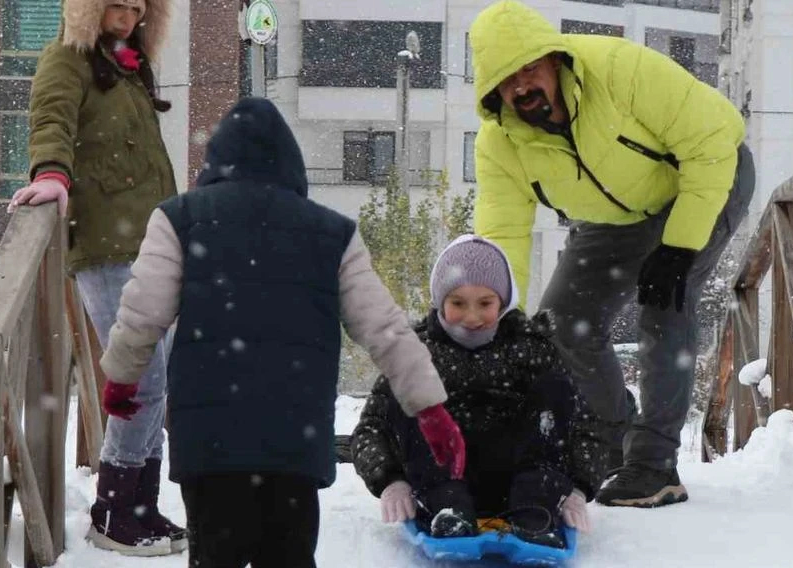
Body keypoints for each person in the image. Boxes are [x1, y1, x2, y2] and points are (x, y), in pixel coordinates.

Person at [96, 97, 465, 568]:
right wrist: (430, 408)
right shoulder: (332, 233)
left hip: (211, 443)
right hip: (294, 443)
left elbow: (141, 312)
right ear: (291, 162)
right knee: (288, 555)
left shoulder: (179, 219)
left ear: (215, 160)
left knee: (215, 557)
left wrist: (122, 377)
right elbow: (385, 328)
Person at [468, 0, 756, 507]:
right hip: (616, 217)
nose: (522, 86)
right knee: (561, 322)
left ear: (555, 60)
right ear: (493, 93)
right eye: (506, 81)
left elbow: (712, 142)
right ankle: (613, 440)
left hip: (707, 179)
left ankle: (654, 465)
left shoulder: (622, 70)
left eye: (529, 69)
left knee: (664, 302)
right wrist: (494, 315)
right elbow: (503, 234)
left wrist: (680, 246)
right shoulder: (500, 145)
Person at [6, 0, 183, 556]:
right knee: (139, 380)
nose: (127, 18)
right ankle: (114, 510)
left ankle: (142, 505)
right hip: (106, 246)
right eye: (116, 6)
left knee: (155, 378)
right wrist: (52, 174)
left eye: (137, 8)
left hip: (150, 245)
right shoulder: (67, 58)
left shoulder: (127, 67)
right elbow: (51, 120)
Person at [350, 235, 607, 549]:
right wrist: (390, 480)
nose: (471, 317)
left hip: (522, 481)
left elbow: (585, 424)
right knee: (408, 390)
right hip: (440, 479)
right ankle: (448, 509)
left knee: (554, 387)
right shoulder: (417, 351)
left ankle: (535, 508)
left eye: (485, 303)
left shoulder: (532, 348)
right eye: (458, 303)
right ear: (440, 301)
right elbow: (371, 428)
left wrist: (579, 488)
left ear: (503, 302)